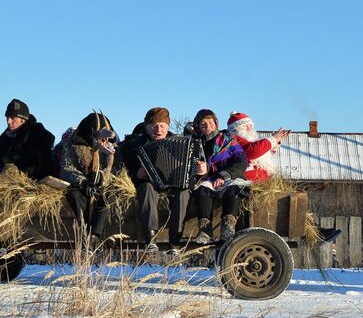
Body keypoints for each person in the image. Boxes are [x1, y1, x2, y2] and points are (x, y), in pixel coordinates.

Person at [118, 107, 191, 250]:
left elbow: (191, 165)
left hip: (173, 183)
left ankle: (175, 240)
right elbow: (122, 164)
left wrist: (200, 168)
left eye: (162, 126)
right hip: (148, 182)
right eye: (153, 126)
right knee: (146, 188)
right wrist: (135, 172)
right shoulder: (134, 144)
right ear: (146, 127)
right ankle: (150, 238)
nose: (158, 129)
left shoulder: (180, 143)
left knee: (184, 191)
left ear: (167, 127)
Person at [188, 109, 249, 244]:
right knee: (202, 190)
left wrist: (224, 176)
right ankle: (205, 229)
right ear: (198, 126)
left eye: (210, 123)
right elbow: (189, 165)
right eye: (203, 124)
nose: (207, 127)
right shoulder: (195, 144)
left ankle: (228, 226)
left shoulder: (228, 139)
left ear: (216, 124)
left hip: (229, 176)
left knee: (234, 188)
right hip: (208, 179)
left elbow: (242, 160)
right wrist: (199, 170)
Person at [59, 112, 118, 240]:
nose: (104, 140)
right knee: (76, 195)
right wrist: (83, 182)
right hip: (81, 184)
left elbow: (116, 170)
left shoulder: (111, 149)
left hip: (102, 186)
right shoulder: (72, 146)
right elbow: (67, 169)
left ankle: (95, 234)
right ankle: (84, 233)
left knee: (109, 195)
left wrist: (102, 177)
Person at [226, 112, 289, 182]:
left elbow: (261, 155)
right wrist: (273, 139)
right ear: (235, 129)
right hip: (247, 181)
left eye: (250, 125)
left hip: (261, 180)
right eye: (245, 126)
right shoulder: (234, 139)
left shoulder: (249, 140)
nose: (249, 128)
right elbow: (252, 151)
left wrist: (275, 144)